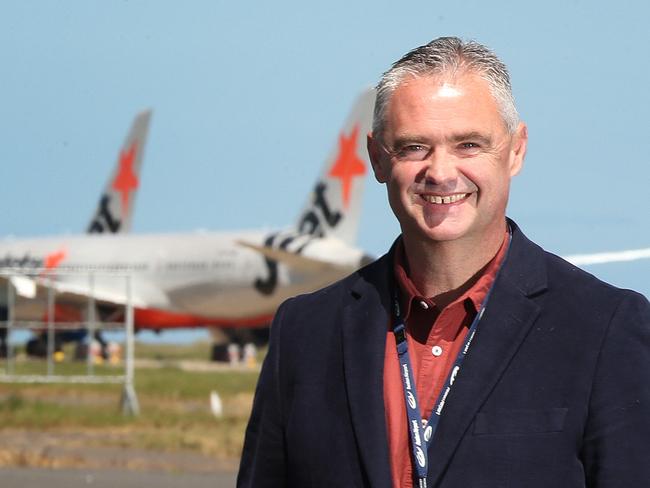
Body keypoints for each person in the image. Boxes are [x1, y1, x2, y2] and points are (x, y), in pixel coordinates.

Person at [237, 37, 650, 487]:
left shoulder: (605, 328)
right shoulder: (305, 333)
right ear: (377, 158)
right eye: (414, 147)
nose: (441, 171)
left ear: (516, 150)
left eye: (469, 144)